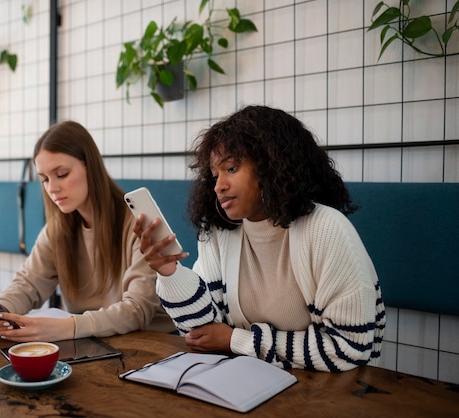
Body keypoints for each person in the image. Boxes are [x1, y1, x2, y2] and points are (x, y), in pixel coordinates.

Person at [134, 105, 386, 372]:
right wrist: (169, 272)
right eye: (215, 175)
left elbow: (349, 348)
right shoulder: (220, 231)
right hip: (251, 380)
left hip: (335, 393)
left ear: (273, 164)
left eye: (231, 168)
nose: (219, 185)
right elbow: (201, 332)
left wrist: (236, 340)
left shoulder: (326, 228)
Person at [0, 121, 175, 342]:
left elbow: (137, 310)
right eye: (44, 179)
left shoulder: (140, 223)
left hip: (152, 344)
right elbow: (28, 284)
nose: (52, 188)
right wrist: (0, 311)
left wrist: (66, 327)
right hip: (91, 343)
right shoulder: (58, 230)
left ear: (91, 167)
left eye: (61, 174)